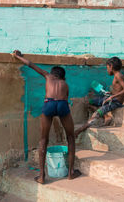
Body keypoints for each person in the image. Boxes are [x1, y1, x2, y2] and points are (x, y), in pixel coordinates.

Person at [12, 50, 81, 184]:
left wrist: (18, 56)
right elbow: (66, 98)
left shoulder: (48, 76)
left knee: (43, 140)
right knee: (71, 137)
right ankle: (71, 173)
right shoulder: (65, 84)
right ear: (63, 77)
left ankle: (42, 176)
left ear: (52, 74)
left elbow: (31, 65)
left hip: (48, 104)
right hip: (62, 105)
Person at [75, 57, 124, 137]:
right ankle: (106, 117)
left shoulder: (119, 76)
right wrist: (110, 93)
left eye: (107, 68)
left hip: (115, 102)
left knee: (96, 114)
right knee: (88, 102)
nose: (107, 70)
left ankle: (79, 131)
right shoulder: (117, 75)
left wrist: (112, 96)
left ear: (111, 66)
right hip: (111, 98)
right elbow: (122, 90)